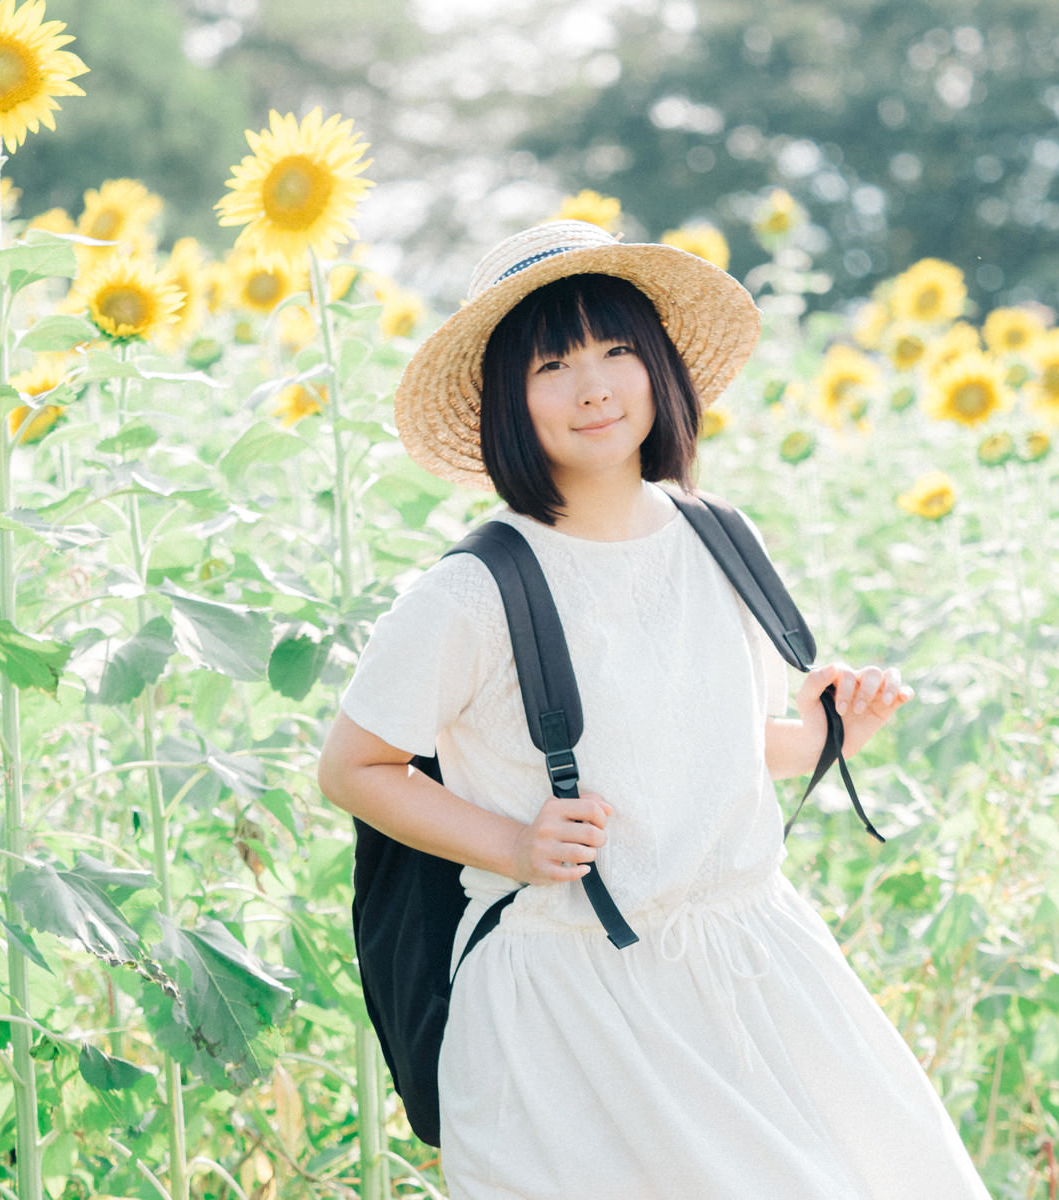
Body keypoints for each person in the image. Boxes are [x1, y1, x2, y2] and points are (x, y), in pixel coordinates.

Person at [317, 220, 990, 1199]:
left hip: (751, 965)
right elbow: (351, 768)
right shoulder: (472, 589)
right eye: (552, 364)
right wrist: (511, 843)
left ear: (659, 367)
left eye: (616, 350)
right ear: (507, 397)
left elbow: (712, 745)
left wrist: (823, 735)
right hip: (568, 999)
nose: (593, 386)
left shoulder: (719, 537)